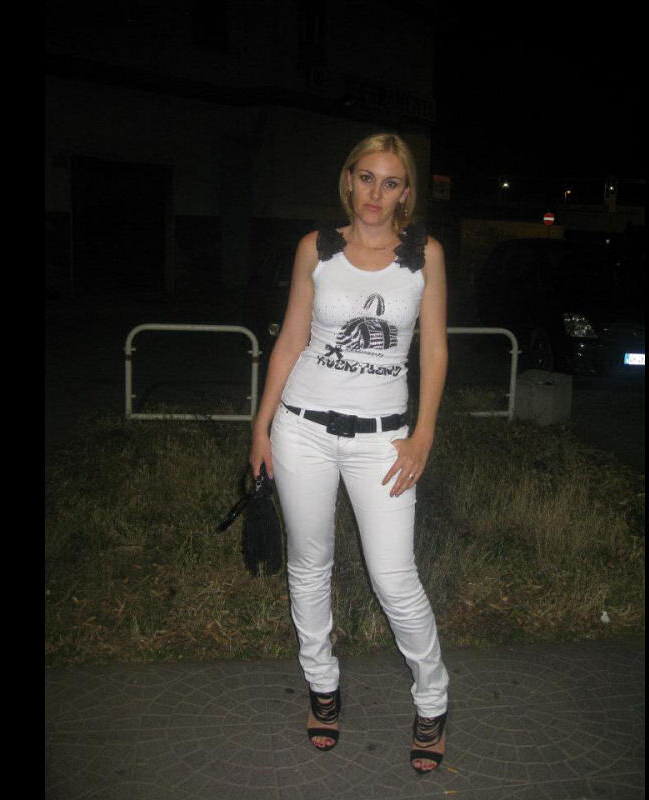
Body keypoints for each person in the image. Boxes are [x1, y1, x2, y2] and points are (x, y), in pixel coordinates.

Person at [248, 132, 449, 774]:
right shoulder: (316, 248)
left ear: (406, 192)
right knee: (310, 564)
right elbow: (290, 340)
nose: (375, 194)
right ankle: (323, 686)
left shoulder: (424, 255)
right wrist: (261, 428)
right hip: (302, 428)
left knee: (394, 577)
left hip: (382, 439)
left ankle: (433, 698)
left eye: (390, 183)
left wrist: (423, 434)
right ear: (349, 179)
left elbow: (434, 349)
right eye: (366, 178)